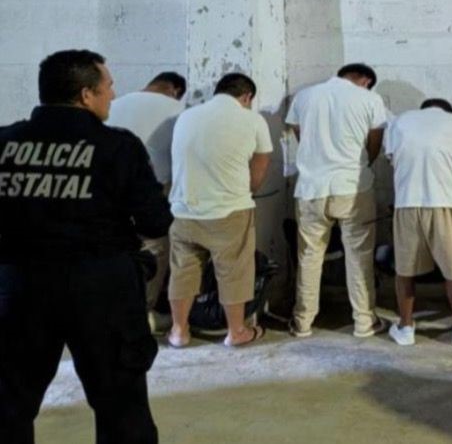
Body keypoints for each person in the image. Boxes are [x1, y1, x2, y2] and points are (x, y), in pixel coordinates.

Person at [0, 49, 171, 444]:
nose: (113, 94)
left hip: (20, 286)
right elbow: (155, 221)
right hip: (101, 288)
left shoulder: (5, 142)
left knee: (9, 404)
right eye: (108, 86)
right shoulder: (118, 147)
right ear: (85, 95)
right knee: (121, 409)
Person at [167, 73, 272, 348]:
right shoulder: (252, 119)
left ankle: (179, 331)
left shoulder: (186, 116)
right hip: (229, 210)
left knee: (183, 271)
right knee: (234, 271)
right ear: (246, 97)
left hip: (184, 209)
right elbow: (261, 163)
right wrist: (248, 191)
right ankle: (236, 331)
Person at [286, 63, 388, 338]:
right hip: (353, 186)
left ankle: (302, 321)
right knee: (359, 256)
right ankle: (364, 322)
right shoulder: (370, 99)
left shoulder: (305, 96)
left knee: (309, 256)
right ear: (365, 81)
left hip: (311, 187)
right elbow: (375, 142)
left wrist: (317, 157)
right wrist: (362, 164)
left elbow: (298, 131)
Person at [384, 98, 452, 347]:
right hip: (447, 202)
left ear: (423, 110)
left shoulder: (399, 122)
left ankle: (405, 328)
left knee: (405, 271)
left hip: (407, 202)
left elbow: (393, 161)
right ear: (448, 111)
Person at [107, 71, 186, 332]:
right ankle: (143, 312)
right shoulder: (178, 110)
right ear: (175, 90)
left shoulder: (113, 104)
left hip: (105, 190)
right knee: (154, 248)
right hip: (152, 189)